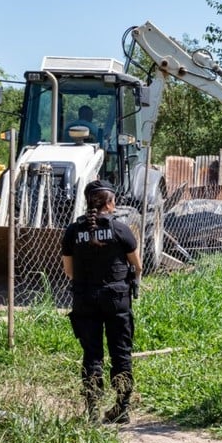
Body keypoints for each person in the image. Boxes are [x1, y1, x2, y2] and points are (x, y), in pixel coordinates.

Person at [61, 179, 142, 424]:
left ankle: (93, 411)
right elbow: (137, 265)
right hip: (117, 300)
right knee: (121, 353)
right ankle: (122, 408)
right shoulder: (121, 229)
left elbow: (69, 271)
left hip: (85, 300)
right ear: (110, 202)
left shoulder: (73, 231)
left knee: (92, 355)